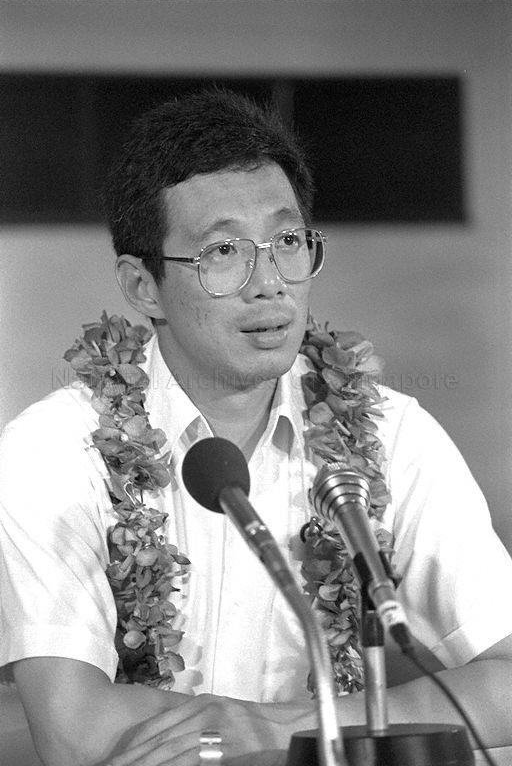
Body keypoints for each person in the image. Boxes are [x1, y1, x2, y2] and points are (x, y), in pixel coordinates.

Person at [1, 88, 511, 766]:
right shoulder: (52, 452)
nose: (268, 281)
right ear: (142, 285)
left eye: (288, 241)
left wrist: (279, 728)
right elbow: (74, 732)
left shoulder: (390, 437)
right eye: (223, 253)